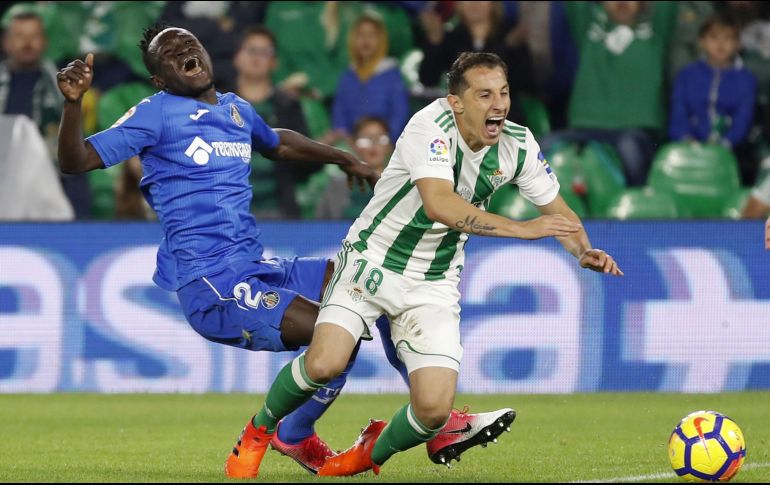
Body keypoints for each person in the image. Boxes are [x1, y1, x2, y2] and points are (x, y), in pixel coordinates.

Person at [55, 24, 514, 477]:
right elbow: (76, 161)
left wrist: (341, 156)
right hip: (209, 282)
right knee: (333, 331)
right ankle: (286, 433)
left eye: (188, 44)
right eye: (170, 55)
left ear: (206, 54)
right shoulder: (154, 113)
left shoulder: (234, 111)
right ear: (160, 79)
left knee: (366, 283)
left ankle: (427, 425)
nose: (183, 53)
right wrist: (73, 105)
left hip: (255, 267)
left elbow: (276, 143)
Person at [232, 52, 623, 478]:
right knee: (325, 362)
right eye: (485, 94)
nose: (499, 105)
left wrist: (582, 249)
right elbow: (440, 205)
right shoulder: (429, 127)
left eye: (504, 93)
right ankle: (258, 432)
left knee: (434, 410)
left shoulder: (518, 144)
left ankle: (366, 455)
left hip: (433, 282)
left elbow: (560, 214)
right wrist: (523, 229)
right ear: (456, 102)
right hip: (371, 260)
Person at [542, 1, 678, 186]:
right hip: (586, 128)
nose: (621, 3)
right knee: (544, 147)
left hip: (635, 129)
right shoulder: (590, 30)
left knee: (631, 152)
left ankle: (638, 208)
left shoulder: (655, 33)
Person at [0, 6, 89, 218]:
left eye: (34, 36)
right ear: (5, 42)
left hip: (50, 182)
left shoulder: (65, 87)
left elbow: (74, 150)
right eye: (20, 36)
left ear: (45, 41)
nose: (27, 43)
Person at [230, 25, 317, 219]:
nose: (257, 57)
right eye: (251, 49)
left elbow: (308, 164)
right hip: (225, 212)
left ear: (274, 62)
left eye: (265, 51)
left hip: (277, 212)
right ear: (236, 57)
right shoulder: (215, 105)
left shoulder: (288, 106)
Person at [669, 13, 757, 181]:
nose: (720, 44)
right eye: (713, 37)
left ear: (738, 44)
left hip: (731, 149)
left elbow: (743, 119)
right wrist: (686, 140)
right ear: (701, 42)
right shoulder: (686, 76)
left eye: (728, 38)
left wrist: (724, 143)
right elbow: (678, 114)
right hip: (689, 147)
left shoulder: (746, 79)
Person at [328, 12, 410, 144]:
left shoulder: (391, 74)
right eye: (360, 35)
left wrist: (386, 141)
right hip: (352, 146)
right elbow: (339, 116)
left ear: (381, 39)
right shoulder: (347, 76)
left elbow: (399, 114)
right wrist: (347, 140)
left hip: (385, 145)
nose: (366, 40)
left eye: (372, 35)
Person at [316, 116, 392, 219]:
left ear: (390, 145)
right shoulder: (337, 185)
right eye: (365, 139)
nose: (374, 145)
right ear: (353, 144)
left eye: (381, 138)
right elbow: (321, 226)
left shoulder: (400, 183)